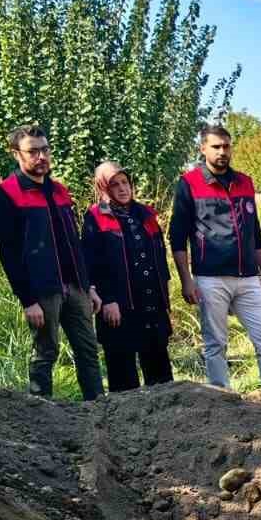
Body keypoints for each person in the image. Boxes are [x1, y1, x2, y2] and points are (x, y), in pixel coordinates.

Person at [0, 124, 104, 401]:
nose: (41, 157)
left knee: (88, 350)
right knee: (45, 352)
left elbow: (74, 244)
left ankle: (99, 409)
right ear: (16, 154)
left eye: (45, 150)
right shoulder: (6, 192)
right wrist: (27, 300)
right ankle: (41, 414)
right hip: (42, 289)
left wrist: (88, 286)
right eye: (33, 152)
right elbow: (9, 251)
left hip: (75, 286)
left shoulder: (60, 190)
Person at [167, 124, 261, 388]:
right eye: (216, 147)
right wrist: (187, 280)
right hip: (210, 278)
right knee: (216, 343)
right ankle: (222, 399)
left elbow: (255, 231)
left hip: (248, 277)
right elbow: (177, 237)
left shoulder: (244, 182)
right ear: (203, 148)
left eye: (226, 146)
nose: (222, 152)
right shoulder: (189, 184)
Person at [83, 162, 175, 391]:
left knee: (160, 373)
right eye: (114, 184)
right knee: (123, 374)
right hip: (118, 306)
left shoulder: (146, 214)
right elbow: (91, 263)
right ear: (102, 187)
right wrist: (107, 299)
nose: (122, 188)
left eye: (125, 182)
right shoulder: (95, 217)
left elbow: (159, 259)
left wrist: (165, 300)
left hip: (151, 302)